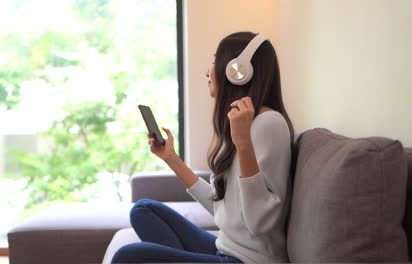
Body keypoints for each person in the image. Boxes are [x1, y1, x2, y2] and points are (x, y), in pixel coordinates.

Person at [111, 31, 295, 263]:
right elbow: (222, 208)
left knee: (128, 257)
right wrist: (171, 158)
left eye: (214, 61)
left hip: (248, 261)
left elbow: (259, 223)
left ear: (238, 71)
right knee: (144, 209)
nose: (208, 72)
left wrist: (243, 142)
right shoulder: (242, 122)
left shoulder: (269, 124)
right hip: (225, 249)